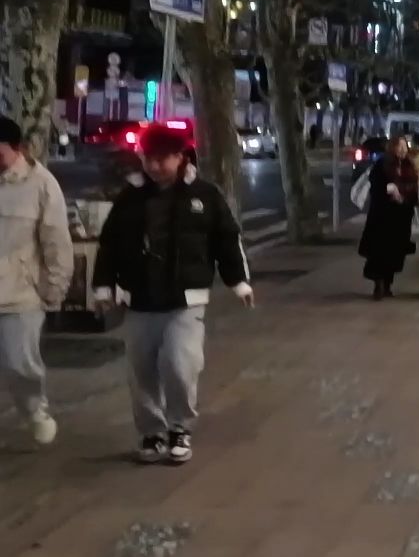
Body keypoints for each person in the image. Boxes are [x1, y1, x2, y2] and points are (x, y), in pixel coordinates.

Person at [92, 124, 252, 465]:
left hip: (186, 300)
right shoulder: (131, 197)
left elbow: (227, 239)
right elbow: (110, 243)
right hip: (139, 299)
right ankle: (152, 431)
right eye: (148, 158)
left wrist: (238, 281)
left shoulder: (205, 195)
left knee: (180, 365)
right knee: (141, 370)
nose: (154, 165)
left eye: (162, 159)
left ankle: (180, 426)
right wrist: (104, 285)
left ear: (181, 158)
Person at [0, 116, 74, 446]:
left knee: (21, 364)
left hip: (20, 294)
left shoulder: (41, 184)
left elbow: (57, 241)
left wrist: (53, 290)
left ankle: (34, 410)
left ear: (16, 148)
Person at [357, 135, 419, 300]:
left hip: (401, 217)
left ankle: (388, 284)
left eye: (404, 146)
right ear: (392, 148)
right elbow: (375, 188)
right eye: (399, 146)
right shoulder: (382, 165)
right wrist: (388, 190)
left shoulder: (409, 166)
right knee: (379, 252)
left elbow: (414, 190)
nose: (402, 150)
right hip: (382, 216)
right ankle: (378, 284)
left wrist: (404, 197)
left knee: (395, 252)